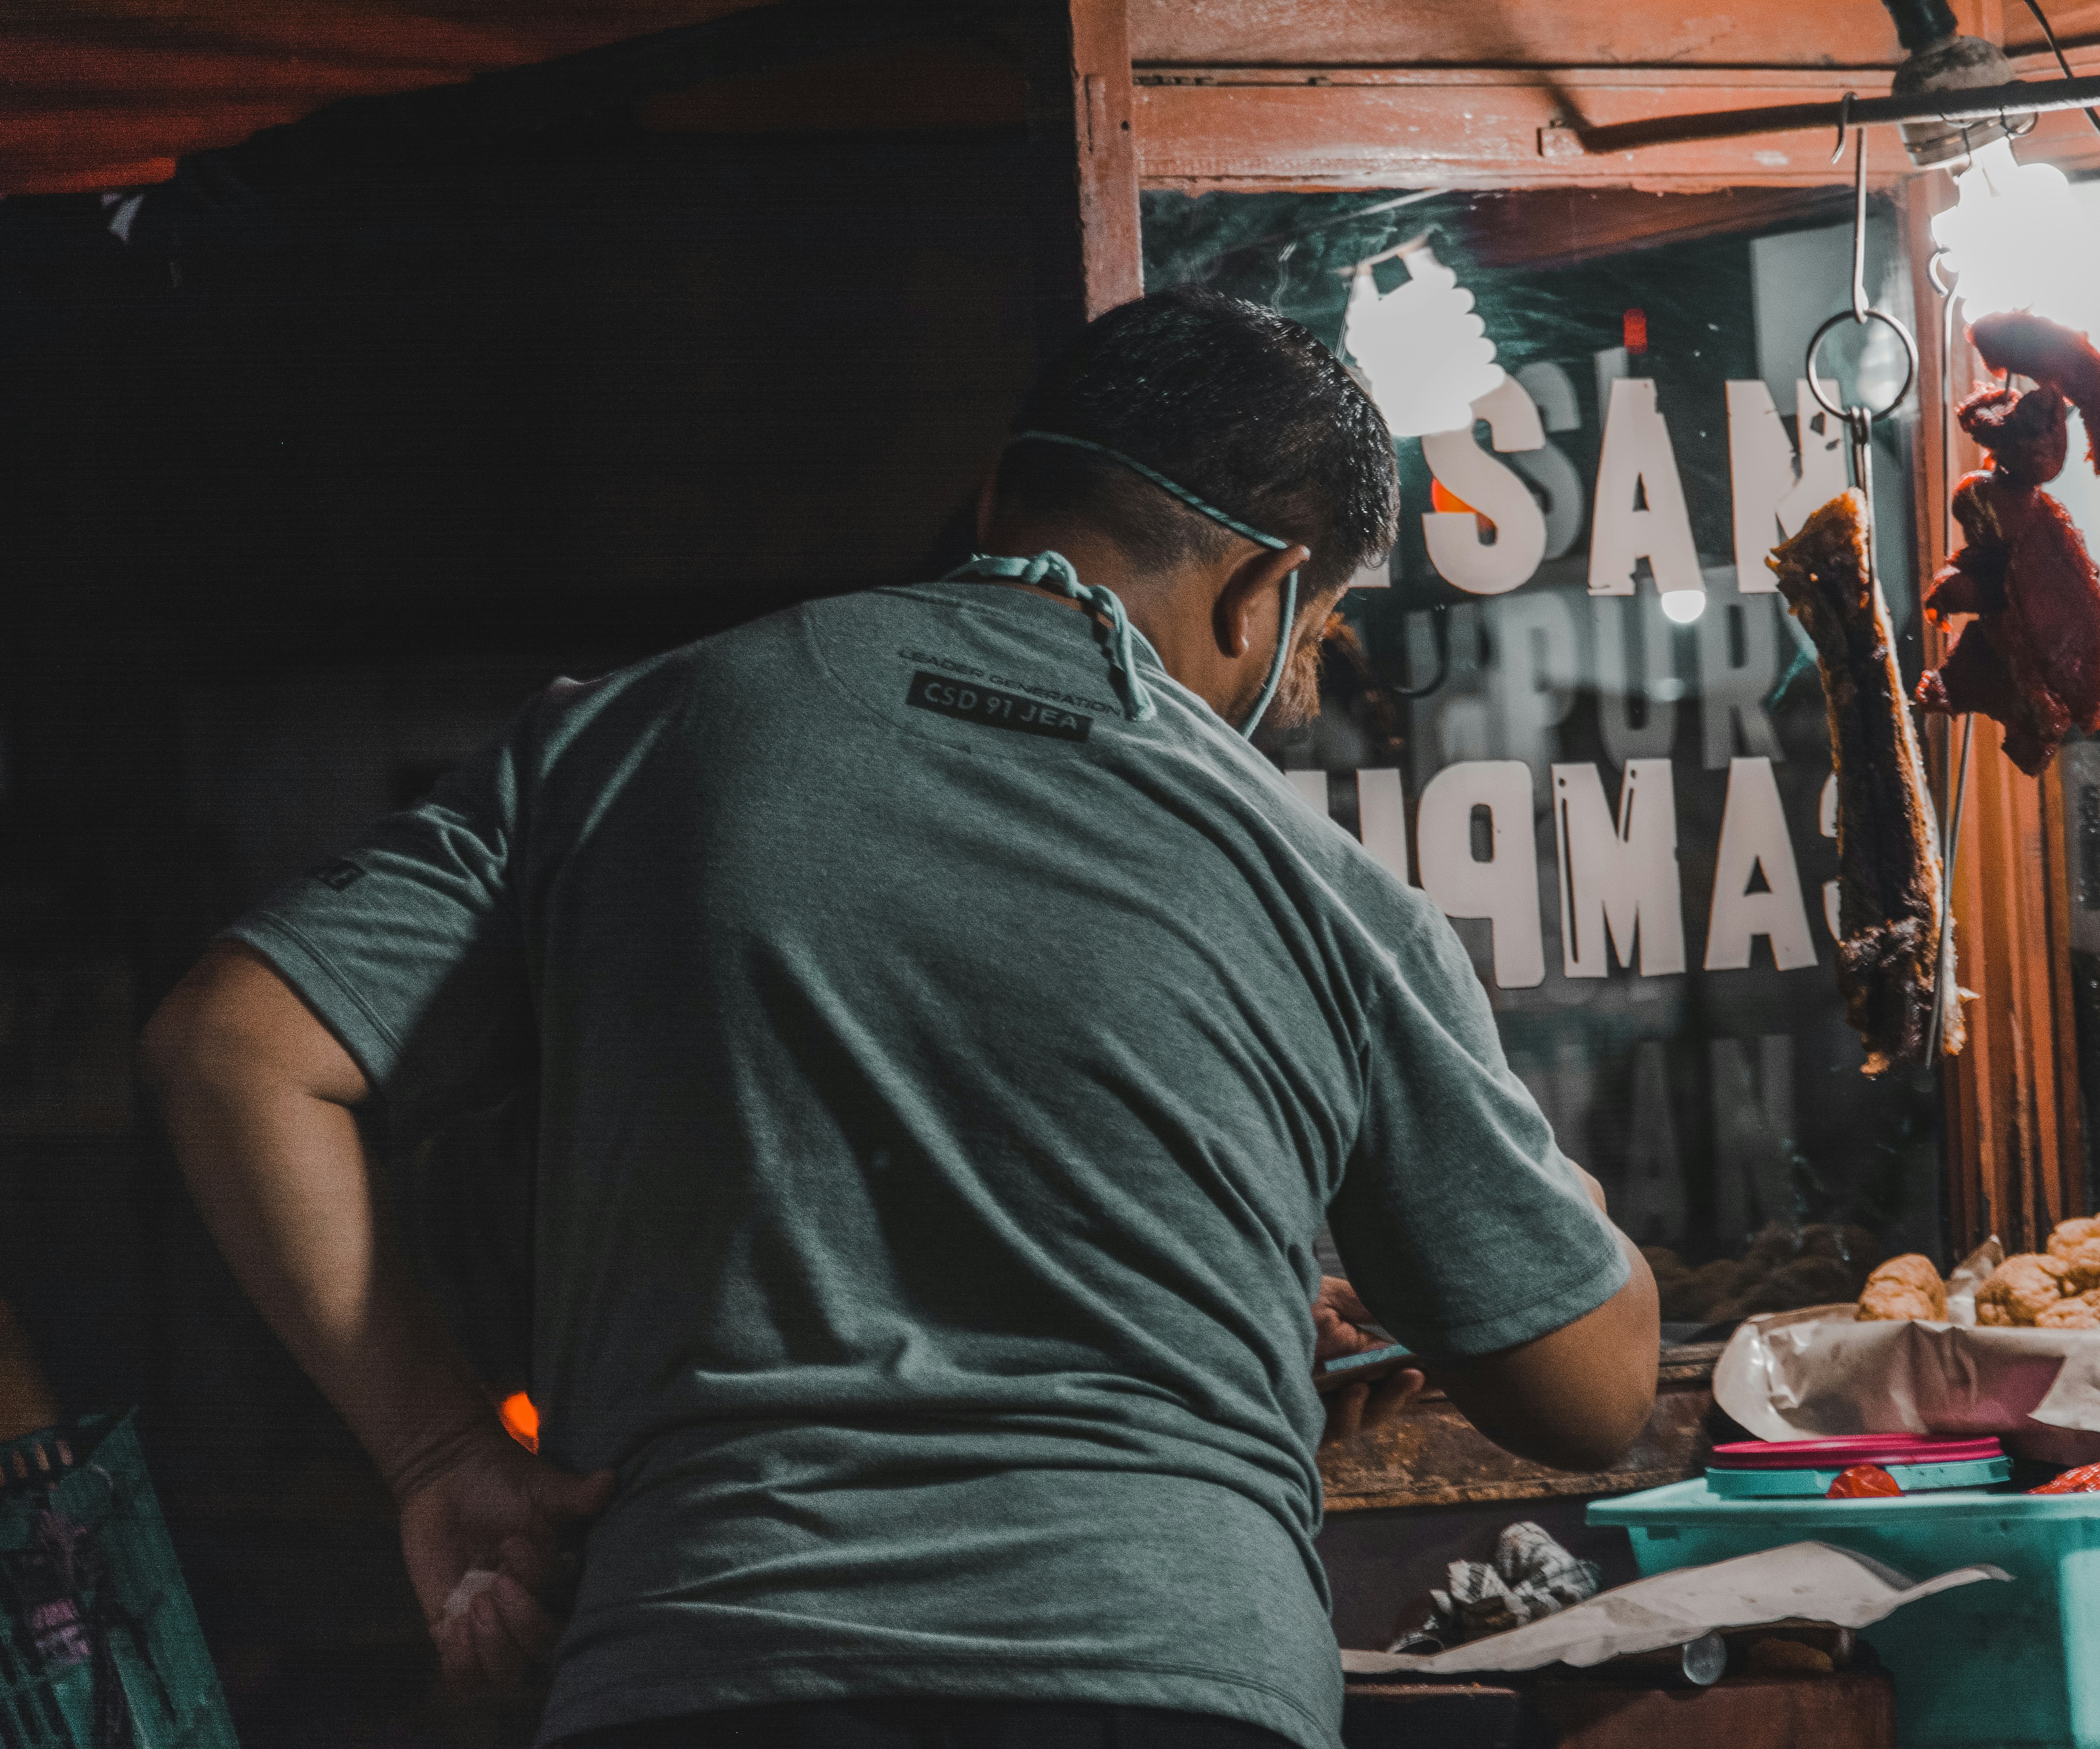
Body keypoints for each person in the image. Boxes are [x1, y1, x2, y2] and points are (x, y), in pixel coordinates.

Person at [143, 287, 1660, 1749]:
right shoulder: (1315, 881)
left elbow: (233, 1045)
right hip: (1170, 1672)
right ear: (1265, 597)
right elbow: (1588, 1393)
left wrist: (442, 1454)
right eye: (1313, 640)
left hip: (704, 1669)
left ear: (1001, 495)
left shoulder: (620, 744)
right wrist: (1552, 1197)